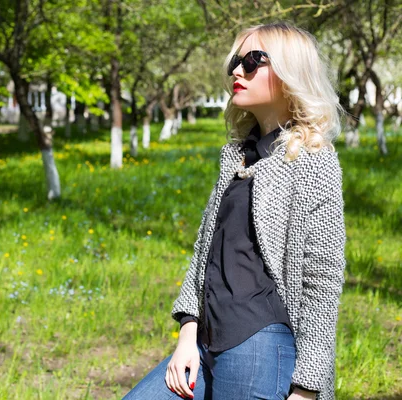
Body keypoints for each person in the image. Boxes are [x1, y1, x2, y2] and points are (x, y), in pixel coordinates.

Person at [123, 21, 346, 400]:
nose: (237, 72)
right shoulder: (237, 156)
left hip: (259, 345)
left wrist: (307, 388)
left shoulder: (313, 160)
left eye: (253, 61)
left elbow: (322, 281)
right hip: (206, 342)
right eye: (235, 64)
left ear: (290, 71)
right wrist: (188, 332)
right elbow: (205, 252)